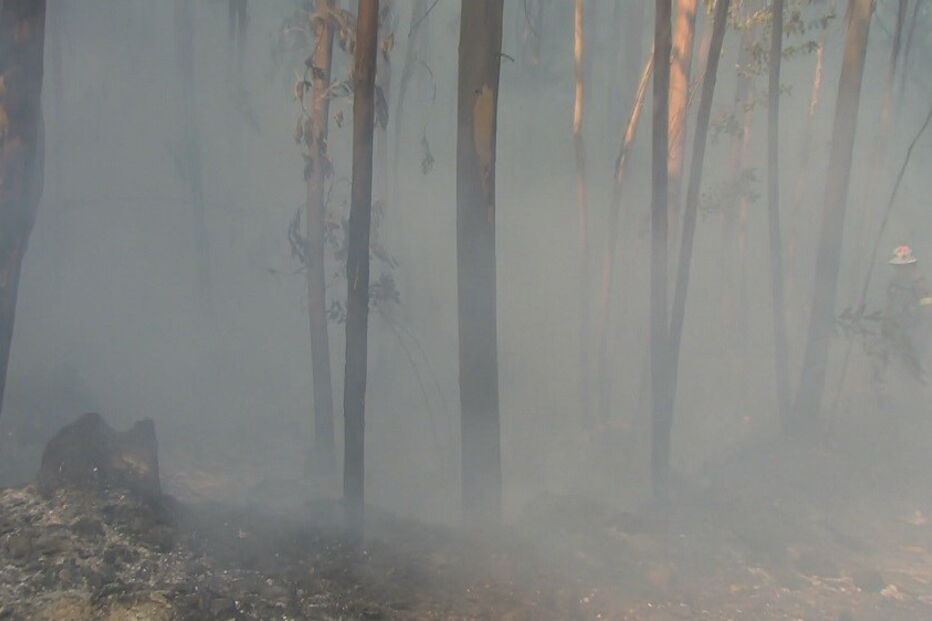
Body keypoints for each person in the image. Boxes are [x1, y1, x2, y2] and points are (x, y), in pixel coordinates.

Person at [871, 245, 932, 401]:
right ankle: (884, 395)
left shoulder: (920, 284)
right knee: (885, 359)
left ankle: (916, 398)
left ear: (910, 266)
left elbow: (927, 309)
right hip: (892, 329)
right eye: (897, 267)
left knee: (913, 364)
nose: (899, 270)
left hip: (913, 332)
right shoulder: (893, 282)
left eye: (902, 267)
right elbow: (889, 305)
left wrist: (914, 321)